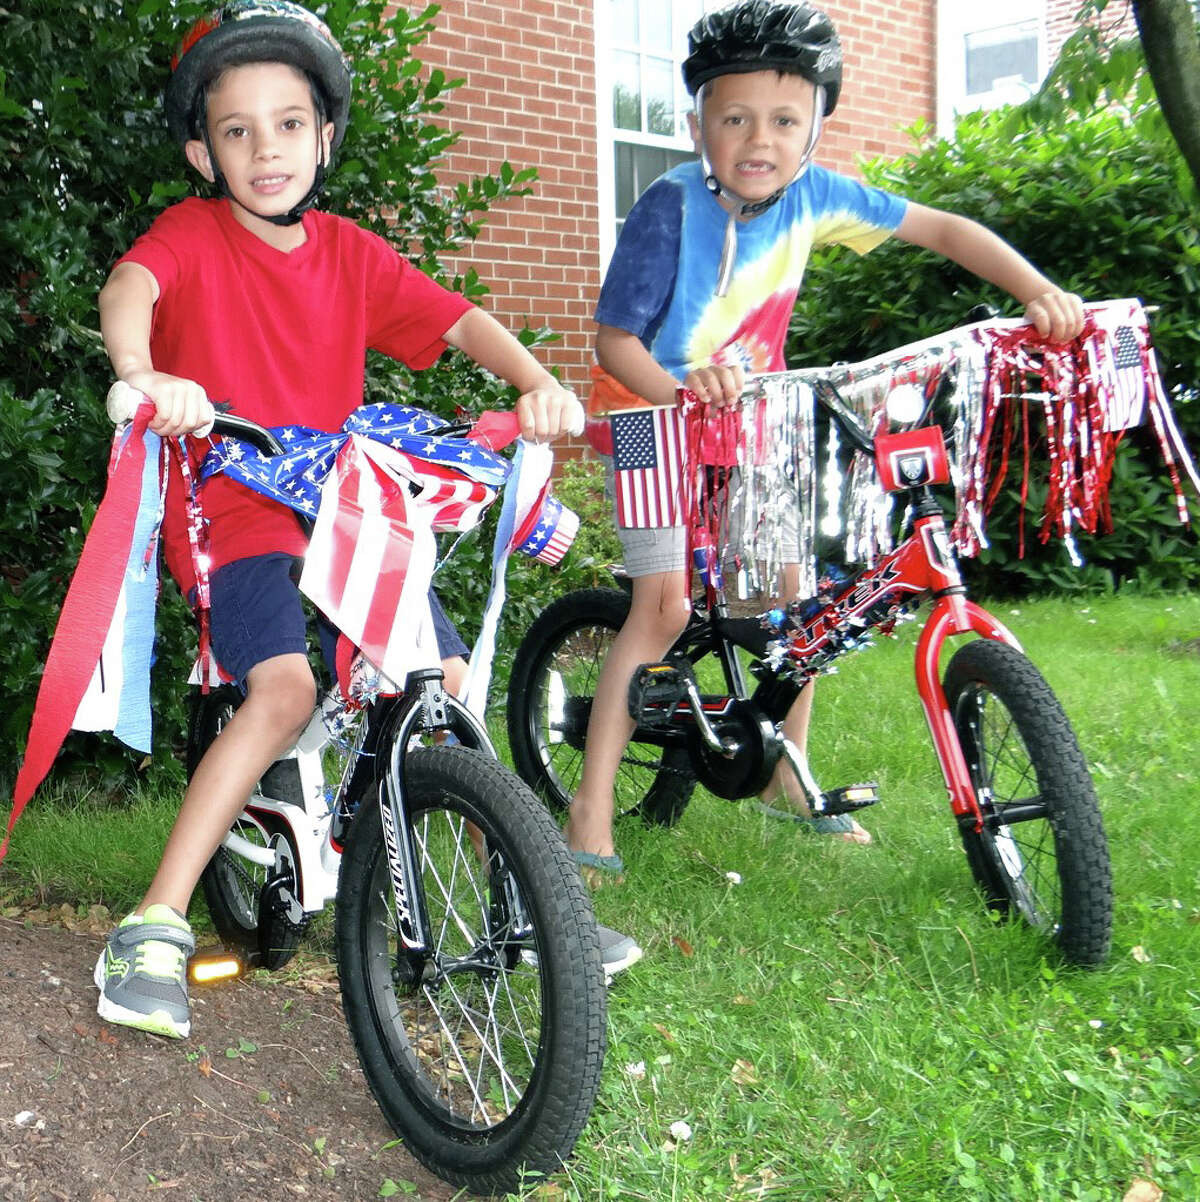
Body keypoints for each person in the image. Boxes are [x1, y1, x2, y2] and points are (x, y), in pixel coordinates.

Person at [92, 1, 635, 1040]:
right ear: (203, 151)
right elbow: (132, 285)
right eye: (238, 129)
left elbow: (457, 318)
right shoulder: (191, 236)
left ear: (325, 136)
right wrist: (145, 371)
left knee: (449, 681)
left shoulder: (347, 251)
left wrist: (536, 384)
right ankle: (154, 921)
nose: (266, 148)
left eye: (289, 123)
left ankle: (527, 906)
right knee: (285, 688)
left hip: (350, 503)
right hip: (242, 501)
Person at [567, 0, 1084, 877]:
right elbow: (614, 341)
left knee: (799, 607)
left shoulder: (816, 198)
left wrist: (1039, 291)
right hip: (652, 418)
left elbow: (943, 229)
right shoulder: (670, 206)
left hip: (754, 418)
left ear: (814, 130)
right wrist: (683, 390)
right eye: (734, 118)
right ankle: (587, 814)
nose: (757, 138)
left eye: (782, 120)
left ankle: (786, 779)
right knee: (665, 607)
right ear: (697, 124)